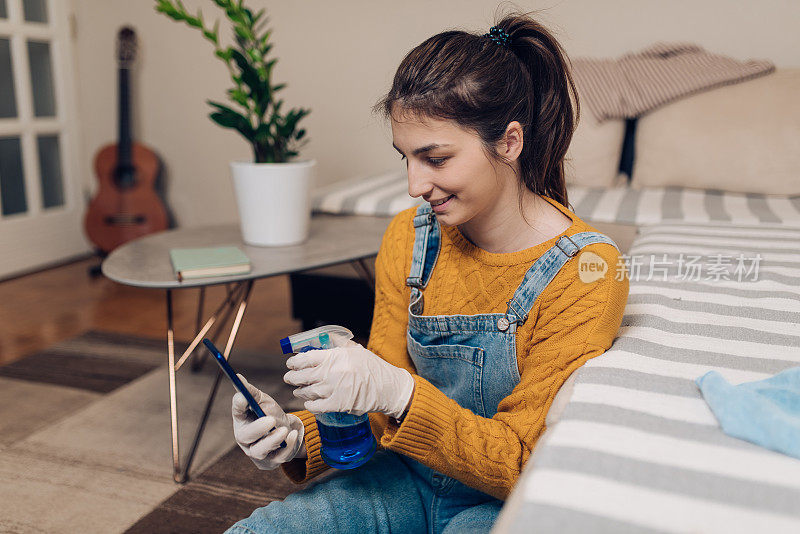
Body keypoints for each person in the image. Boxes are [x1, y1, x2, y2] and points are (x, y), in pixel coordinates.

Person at [225, 9, 630, 534]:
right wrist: (299, 435)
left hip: (498, 501)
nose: (415, 185)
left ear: (508, 143)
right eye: (405, 158)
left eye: (435, 158)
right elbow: (376, 396)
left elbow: (527, 461)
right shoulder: (409, 235)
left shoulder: (588, 274)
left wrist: (399, 393)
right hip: (401, 475)